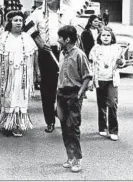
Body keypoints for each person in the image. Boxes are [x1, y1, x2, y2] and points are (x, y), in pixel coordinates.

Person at [24, 0, 90, 134]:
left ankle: (61, 115)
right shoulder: (38, 13)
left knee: (63, 87)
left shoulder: (69, 12)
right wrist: (39, 42)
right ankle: (49, 121)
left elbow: (77, 32)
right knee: (47, 89)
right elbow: (28, 27)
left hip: (65, 54)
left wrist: (69, 46)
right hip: (46, 54)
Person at [0, 11, 39, 137]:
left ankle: (17, 124)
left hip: (23, 74)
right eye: (15, 20)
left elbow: (34, 56)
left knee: (20, 97)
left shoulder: (27, 38)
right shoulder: (3, 38)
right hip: (6, 74)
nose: (18, 22)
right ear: (10, 22)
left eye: (20, 20)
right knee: (7, 96)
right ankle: (8, 121)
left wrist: (36, 72)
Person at [56, 25, 91, 173]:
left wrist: (80, 94)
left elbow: (87, 76)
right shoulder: (62, 53)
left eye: (60, 38)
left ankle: (77, 159)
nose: (58, 40)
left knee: (73, 127)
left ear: (67, 39)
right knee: (64, 127)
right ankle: (69, 156)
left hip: (74, 94)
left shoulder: (79, 54)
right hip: (61, 94)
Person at [89, 27, 124, 141]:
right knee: (101, 104)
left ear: (112, 37)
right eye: (103, 35)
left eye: (108, 35)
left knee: (112, 104)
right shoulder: (95, 48)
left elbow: (122, 62)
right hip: (100, 79)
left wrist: (121, 62)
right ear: (99, 37)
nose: (105, 37)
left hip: (112, 80)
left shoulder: (117, 48)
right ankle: (103, 127)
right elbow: (91, 64)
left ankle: (113, 130)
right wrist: (91, 79)